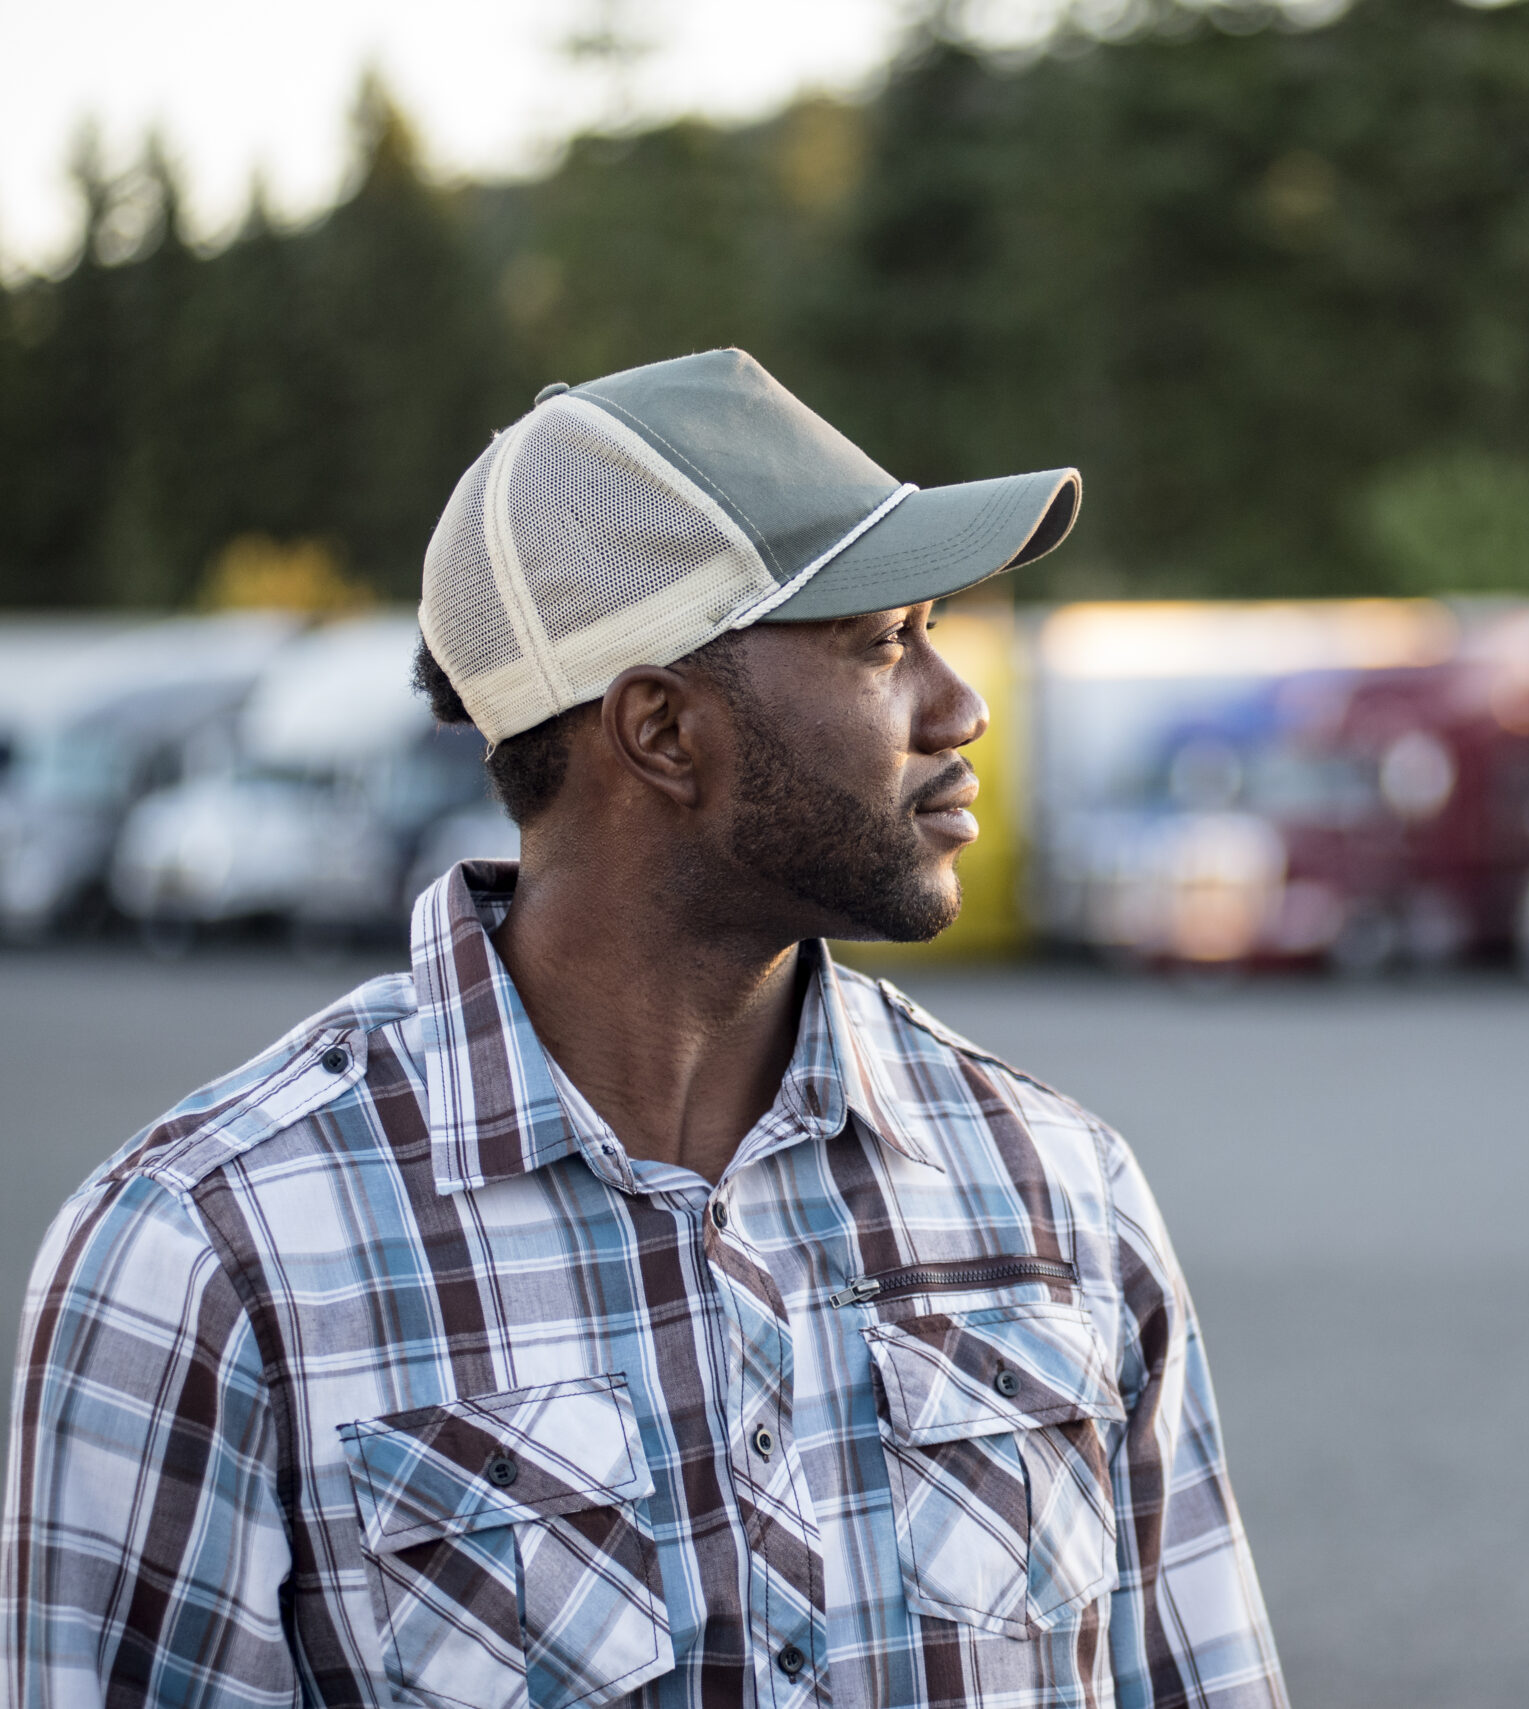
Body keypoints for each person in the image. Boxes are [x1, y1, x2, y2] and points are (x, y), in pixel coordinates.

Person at [1, 350, 1289, 1709]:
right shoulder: (207, 1250)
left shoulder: (1059, 1190)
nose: (957, 708)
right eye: (881, 641)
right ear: (663, 730)